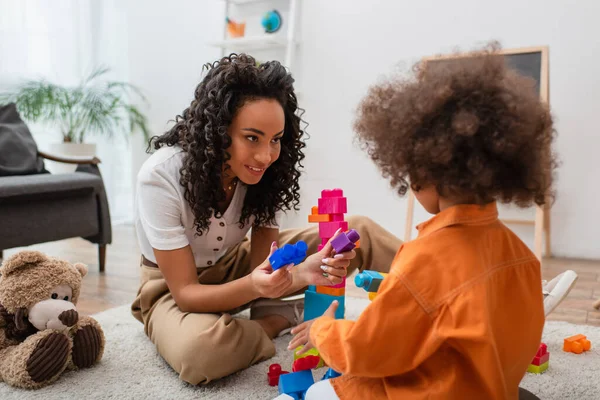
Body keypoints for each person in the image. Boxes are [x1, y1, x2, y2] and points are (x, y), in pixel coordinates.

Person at [286, 45, 573, 400]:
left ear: (424, 171)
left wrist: (323, 331)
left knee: (318, 392)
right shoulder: (523, 257)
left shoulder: (422, 260)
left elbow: (367, 351)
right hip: (491, 389)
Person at [130, 53, 402, 385]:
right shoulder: (160, 176)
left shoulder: (265, 172)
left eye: (275, 140)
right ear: (219, 131)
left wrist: (296, 272)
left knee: (358, 230)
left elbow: (263, 267)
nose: (265, 156)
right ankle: (273, 322)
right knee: (199, 353)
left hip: (236, 263)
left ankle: (438, 287)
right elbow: (187, 292)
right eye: (252, 137)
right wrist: (265, 287)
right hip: (170, 289)